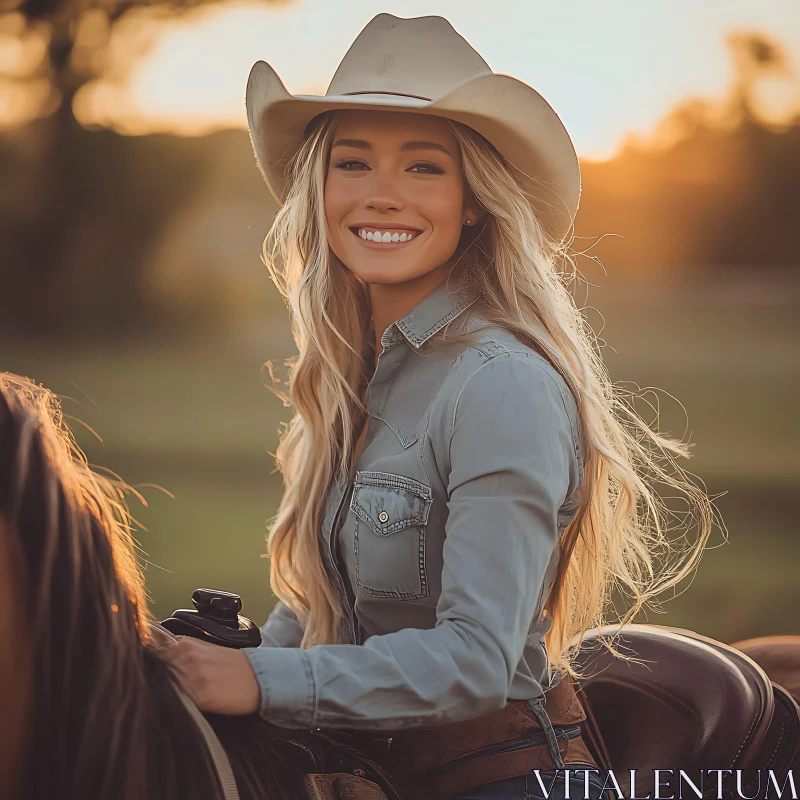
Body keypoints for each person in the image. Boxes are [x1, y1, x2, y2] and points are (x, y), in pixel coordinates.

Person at [170, 14, 715, 800]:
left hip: (494, 775)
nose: (381, 194)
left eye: (423, 168)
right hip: (368, 767)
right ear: (320, 190)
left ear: (473, 203)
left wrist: (260, 680)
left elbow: (476, 661)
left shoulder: (500, 384)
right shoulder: (355, 376)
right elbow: (325, 602)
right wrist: (205, 665)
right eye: (352, 163)